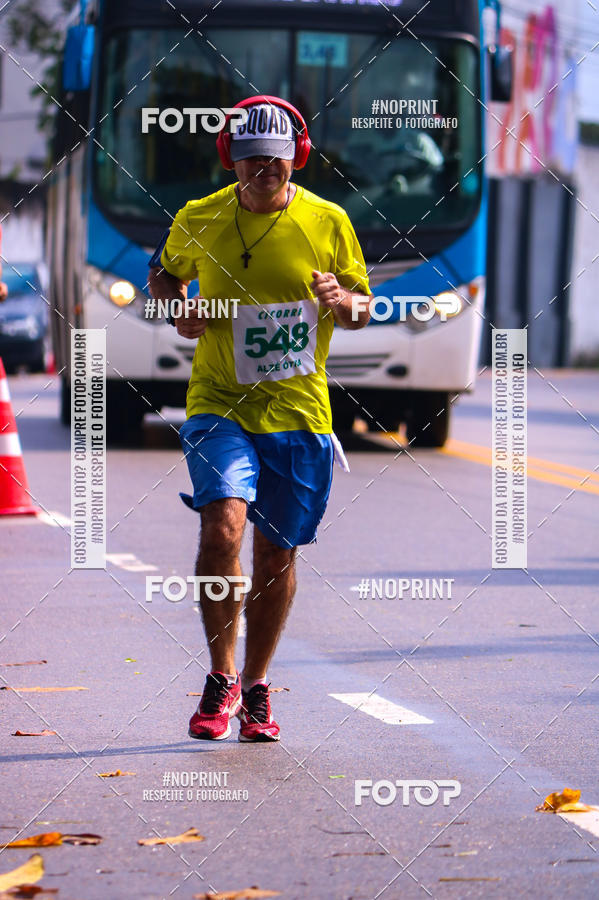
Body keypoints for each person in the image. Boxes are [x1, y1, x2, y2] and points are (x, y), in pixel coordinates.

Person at [148, 95, 371, 742]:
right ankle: (219, 675)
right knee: (222, 529)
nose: (263, 171)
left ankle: (256, 685)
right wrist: (175, 306)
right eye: (251, 161)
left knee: (276, 554)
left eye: (275, 160)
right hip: (219, 403)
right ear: (232, 160)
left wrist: (342, 299)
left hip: (299, 414)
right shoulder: (200, 217)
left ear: (295, 159)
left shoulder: (329, 222)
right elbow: (161, 273)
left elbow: (362, 309)